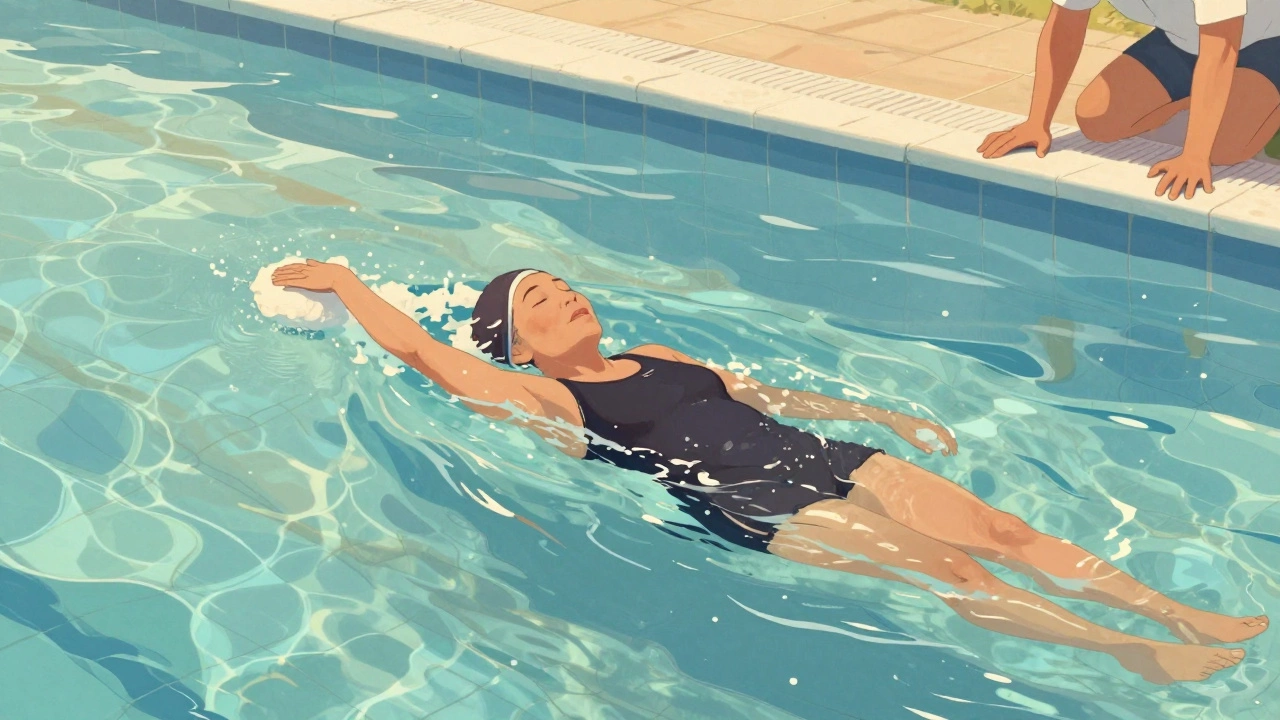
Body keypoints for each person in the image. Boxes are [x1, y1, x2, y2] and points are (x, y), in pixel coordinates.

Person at [272, 260, 1268, 684]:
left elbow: (763, 395)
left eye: (563, 285)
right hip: (745, 502)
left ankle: (1180, 617)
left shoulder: (657, 355)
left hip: (820, 456)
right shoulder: (546, 403)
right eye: (540, 302)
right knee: (954, 574)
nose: (566, 297)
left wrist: (877, 414)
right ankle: (1131, 652)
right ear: (517, 349)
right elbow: (422, 355)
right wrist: (347, 285)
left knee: (1003, 534)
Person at [978, 0, 1280, 200]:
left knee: (1224, 148)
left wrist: (1195, 154)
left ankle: (1246, 99)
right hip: (1181, 41)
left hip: (1263, 42)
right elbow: (1065, 24)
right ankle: (1217, 98)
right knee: (1097, 119)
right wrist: (1037, 122)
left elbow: (1221, 50)